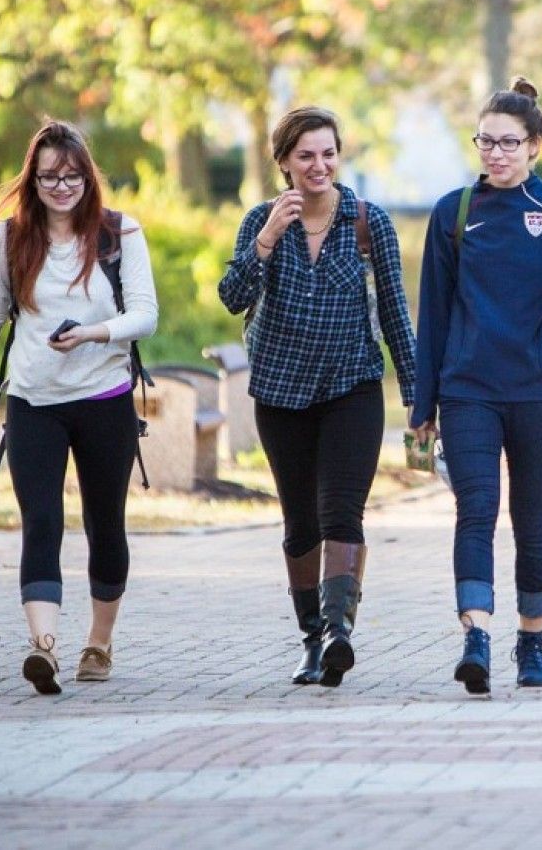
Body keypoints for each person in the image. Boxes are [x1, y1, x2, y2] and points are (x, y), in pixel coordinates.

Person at [410, 77, 542, 695]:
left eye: (508, 143)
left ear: (535, 145)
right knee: (475, 510)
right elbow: (433, 314)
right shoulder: (453, 213)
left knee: (531, 517)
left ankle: (533, 641)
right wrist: (423, 406)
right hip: (467, 390)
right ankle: (476, 639)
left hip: (537, 390)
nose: (495, 153)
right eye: (485, 142)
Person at [0, 120, 158, 695]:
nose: (61, 187)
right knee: (40, 520)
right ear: (33, 179)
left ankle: (99, 643)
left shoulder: (120, 234)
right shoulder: (9, 238)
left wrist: (95, 333)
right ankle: (42, 648)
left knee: (104, 524)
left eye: (71, 176)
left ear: (87, 176)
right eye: (49, 177)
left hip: (104, 399)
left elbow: (145, 314)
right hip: (33, 400)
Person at [218, 105, 416, 687]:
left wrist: (417, 398)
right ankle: (311, 640)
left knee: (340, 513)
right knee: (300, 521)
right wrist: (266, 239)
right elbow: (232, 297)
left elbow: (395, 313)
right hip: (280, 393)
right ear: (283, 162)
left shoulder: (366, 221)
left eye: (328, 153)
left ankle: (338, 633)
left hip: (351, 386)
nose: (319, 165)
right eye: (305, 155)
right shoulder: (262, 219)